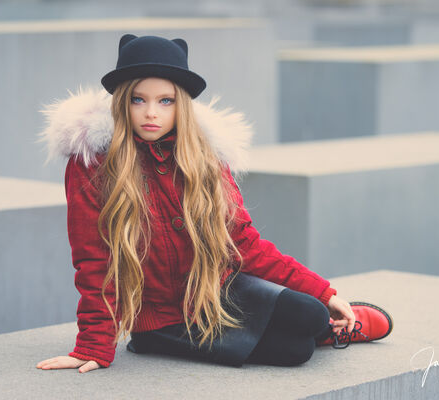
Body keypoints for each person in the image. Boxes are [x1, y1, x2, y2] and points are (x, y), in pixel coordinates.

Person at [36, 34, 393, 374]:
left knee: (311, 313)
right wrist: (93, 346)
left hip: (214, 290)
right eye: (138, 99)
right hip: (162, 319)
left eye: (165, 101)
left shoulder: (202, 157)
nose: (151, 113)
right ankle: (153, 342)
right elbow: (94, 258)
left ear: (182, 105)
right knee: (296, 351)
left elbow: (244, 243)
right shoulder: (93, 164)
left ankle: (331, 324)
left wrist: (322, 291)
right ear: (121, 100)